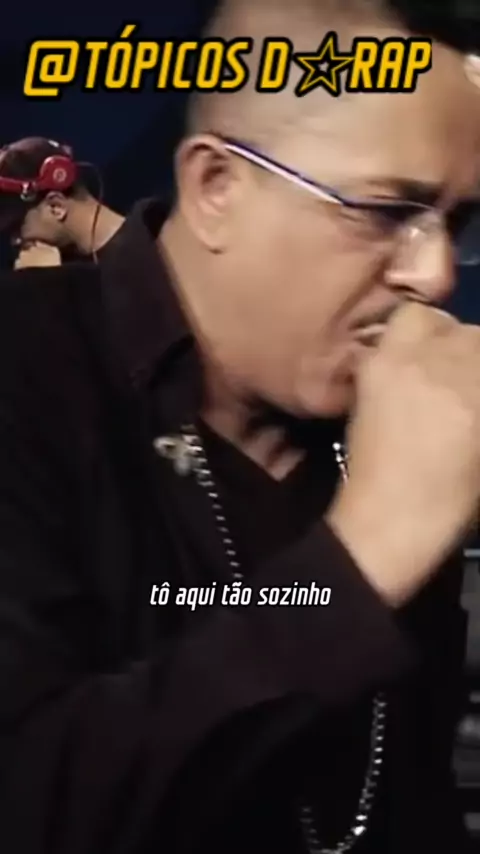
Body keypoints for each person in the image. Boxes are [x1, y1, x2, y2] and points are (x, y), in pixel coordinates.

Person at [1, 0, 480, 852]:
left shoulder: (393, 419)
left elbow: (407, 791)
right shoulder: (26, 370)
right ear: (216, 188)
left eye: (459, 224)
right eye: (384, 211)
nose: (437, 273)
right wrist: (367, 554)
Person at [0, 136, 125, 265]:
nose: (16, 241)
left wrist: (45, 276)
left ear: (56, 206)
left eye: (17, 228)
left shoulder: (135, 254)